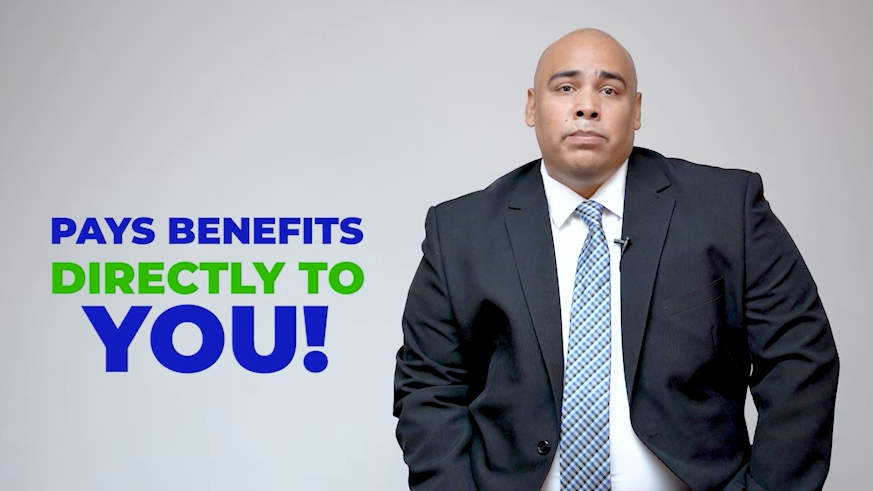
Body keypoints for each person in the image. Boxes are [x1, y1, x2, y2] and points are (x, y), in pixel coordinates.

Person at [392, 28, 839, 491]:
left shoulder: (729, 210)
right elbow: (427, 386)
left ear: (637, 110)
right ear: (531, 106)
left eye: (610, 89)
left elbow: (800, 358)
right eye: (565, 88)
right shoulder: (460, 232)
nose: (587, 106)